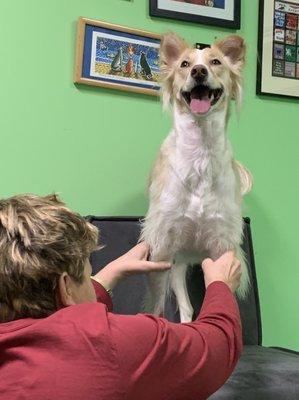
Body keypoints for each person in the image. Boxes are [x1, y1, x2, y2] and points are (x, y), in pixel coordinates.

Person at [0, 194, 243, 400]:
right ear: (65, 288)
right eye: (87, 273)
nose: (90, 277)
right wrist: (220, 285)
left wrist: (105, 278)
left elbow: (52, 320)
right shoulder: (107, 343)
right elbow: (215, 349)